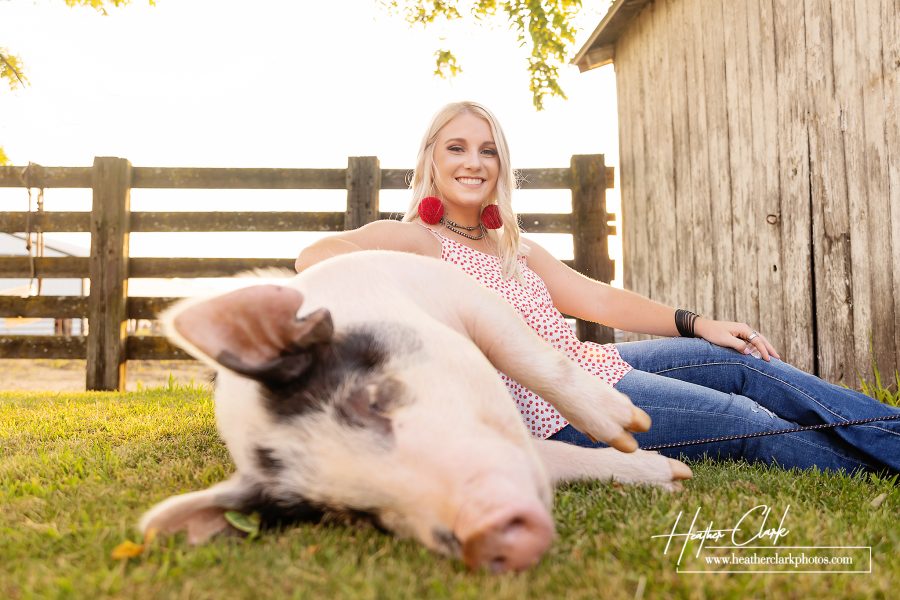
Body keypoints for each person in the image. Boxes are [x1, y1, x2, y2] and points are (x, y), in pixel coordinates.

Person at [296, 101, 900, 474]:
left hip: (596, 361)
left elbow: (599, 299)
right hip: (558, 407)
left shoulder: (513, 245)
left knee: (742, 361)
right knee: (743, 418)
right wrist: (413, 296)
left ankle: (892, 436)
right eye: (456, 148)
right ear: (430, 159)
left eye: (488, 150)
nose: (473, 162)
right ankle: (878, 468)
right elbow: (316, 257)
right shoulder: (415, 241)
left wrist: (698, 322)